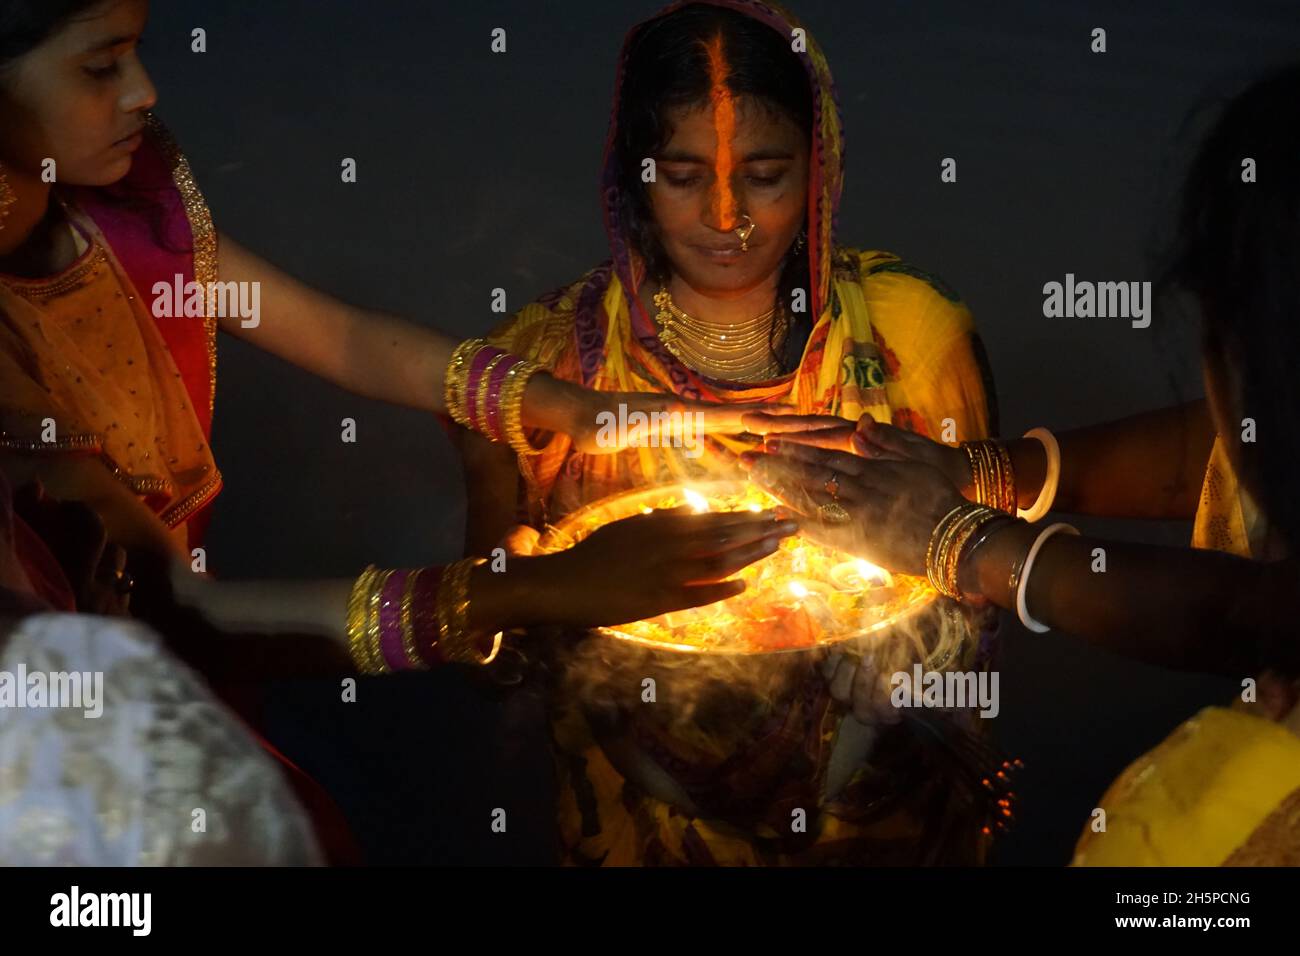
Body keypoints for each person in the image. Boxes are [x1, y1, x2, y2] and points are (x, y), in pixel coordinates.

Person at [463, 0, 1002, 865]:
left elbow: (987, 597)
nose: (726, 217)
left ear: (817, 169)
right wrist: (533, 593)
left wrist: (920, 663)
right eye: (682, 175)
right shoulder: (539, 365)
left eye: (765, 174)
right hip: (641, 824)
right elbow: (489, 658)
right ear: (633, 174)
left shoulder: (915, 338)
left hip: (876, 831)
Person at [741, 63, 1300, 865]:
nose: (727, 217)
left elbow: (1245, 610)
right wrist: (978, 473)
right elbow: (1216, 450)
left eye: (764, 174)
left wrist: (961, 543)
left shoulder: (1193, 837)